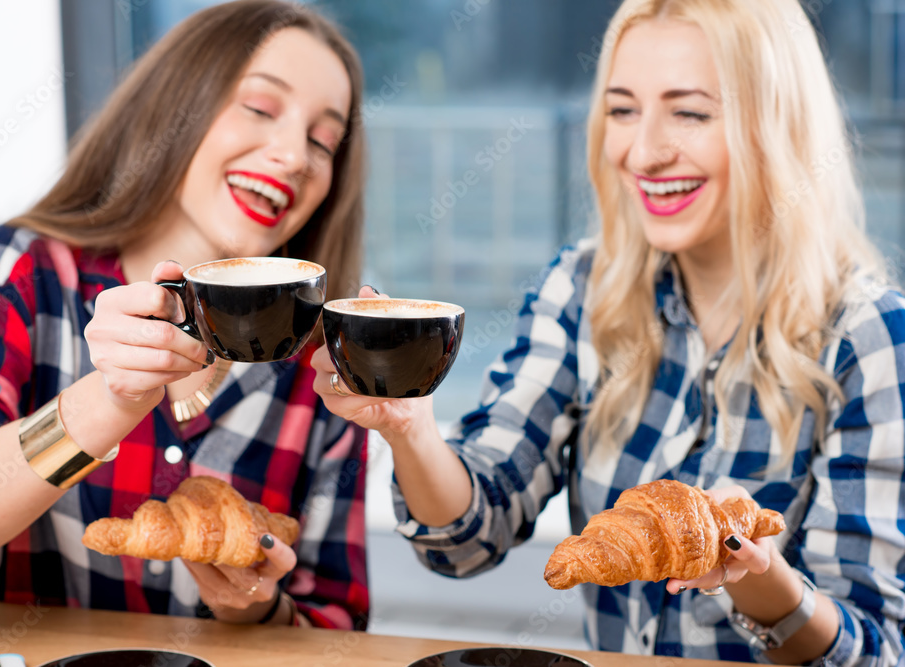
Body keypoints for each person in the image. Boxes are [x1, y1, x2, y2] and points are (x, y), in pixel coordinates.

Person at [312, 0, 905, 661]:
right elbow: (465, 538)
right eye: (622, 110)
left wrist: (762, 579)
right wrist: (409, 426)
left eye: (690, 112)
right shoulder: (583, 289)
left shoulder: (870, 337)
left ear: (778, 126)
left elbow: (876, 650)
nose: (642, 151)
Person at [0, 0, 371, 630]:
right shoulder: (7, 274)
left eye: (324, 141)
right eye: (260, 108)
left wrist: (259, 604)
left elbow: (336, 625)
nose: (294, 155)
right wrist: (106, 405)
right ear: (177, 103)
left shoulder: (323, 361)